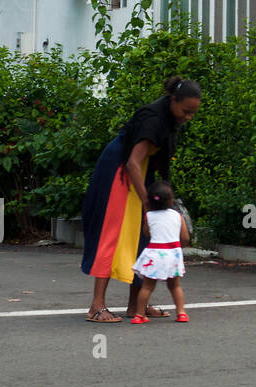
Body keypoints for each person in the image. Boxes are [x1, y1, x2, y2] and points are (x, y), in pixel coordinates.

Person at [81, 76, 201, 323]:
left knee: (143, 236)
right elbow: (132, 162)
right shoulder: (154, 118)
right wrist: (148, 203)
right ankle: (96, 307)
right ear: (173, 100)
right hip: (120, 173)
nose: (188, 116)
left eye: (193, 113)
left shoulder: (170, 119)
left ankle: (136, 305)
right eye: (186, 111)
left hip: (140, 173)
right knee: (111, 235)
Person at [129, 180, 191, 324]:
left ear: (150, 201)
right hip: (172, 252)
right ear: (170, 201)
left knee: (147, 286)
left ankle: (139, 315)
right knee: (175, 286)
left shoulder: (149, 216)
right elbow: (185, 237)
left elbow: (147, 233)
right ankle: (181, 313)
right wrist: (178, 247)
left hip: (155, 252)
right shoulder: (177, 216)